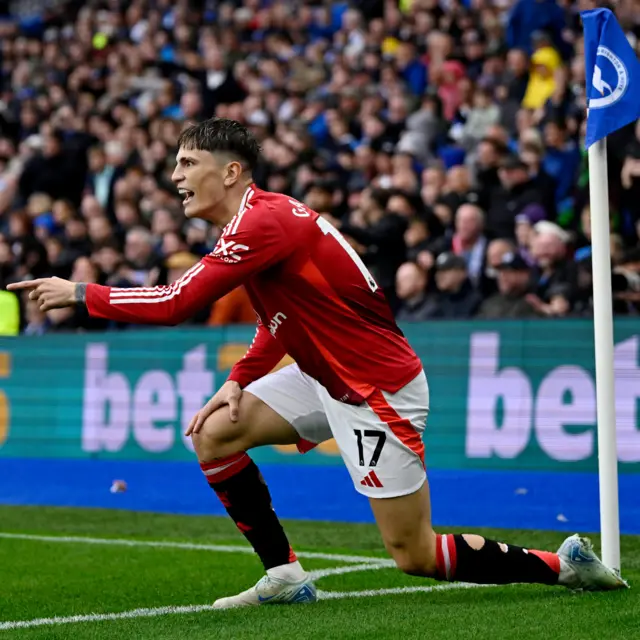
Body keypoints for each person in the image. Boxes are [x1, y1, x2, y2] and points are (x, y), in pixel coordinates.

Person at [9, 118, 627, 608]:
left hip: (374, 389)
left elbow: (177, 303)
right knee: (215, 433)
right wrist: (239, 379)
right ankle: (285, 575)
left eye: (187, 162)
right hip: (324, 374)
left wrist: (82, 293)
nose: (175, 175)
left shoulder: (261, 222)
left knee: (412, 554)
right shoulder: (262, 221)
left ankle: (561, 566)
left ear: (232, 171)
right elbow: (284, 319)